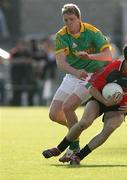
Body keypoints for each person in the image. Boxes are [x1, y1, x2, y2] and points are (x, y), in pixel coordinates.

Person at [42, 40, 127, 165]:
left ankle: (79, 156)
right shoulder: (112, 68)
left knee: (110, 127)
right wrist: (105, 101)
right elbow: (92, 88)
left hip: (119, 107)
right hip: (100, 99)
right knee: (84, 123)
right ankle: (59, 148)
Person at [43, 3, 112, 162]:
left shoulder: (92, 32)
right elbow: (60, 63)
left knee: (67, 107)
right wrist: (75, 72)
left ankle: (73, 148)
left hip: (92, 75)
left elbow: (108, 55)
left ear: (79, 18)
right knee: (54, 114)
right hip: (74, 74)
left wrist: (90, 57)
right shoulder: (61, 35)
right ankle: (74, 133)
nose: (68, 23)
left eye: (71, 19)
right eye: (65, 20)